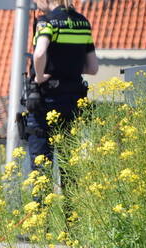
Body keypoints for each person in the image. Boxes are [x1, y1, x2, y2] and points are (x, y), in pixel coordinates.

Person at [26, 0, 98, 168]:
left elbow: (39, 53)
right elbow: (93, 68)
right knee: (69, 163)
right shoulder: (83, 22)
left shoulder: (46, 21)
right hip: (74, 100)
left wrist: (40, 75)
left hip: (46, 100)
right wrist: (68, 70)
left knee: (42, 165)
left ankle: (44, 195)